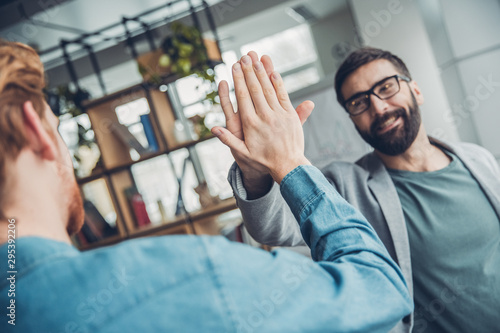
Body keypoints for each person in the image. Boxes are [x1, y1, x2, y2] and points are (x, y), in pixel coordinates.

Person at [0, 40, 412, 332]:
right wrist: (288, 162)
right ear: (36, 130)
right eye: (59, 130)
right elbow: (379, 288)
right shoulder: (183, 274)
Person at [227, 48, 500, 333]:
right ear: (352, 118)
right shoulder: (345, 186)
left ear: (416, 90)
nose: (379, 108)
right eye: (359, 102)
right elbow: (273, 227)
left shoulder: (476, 159)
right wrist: (257, 172)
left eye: (386, 87)